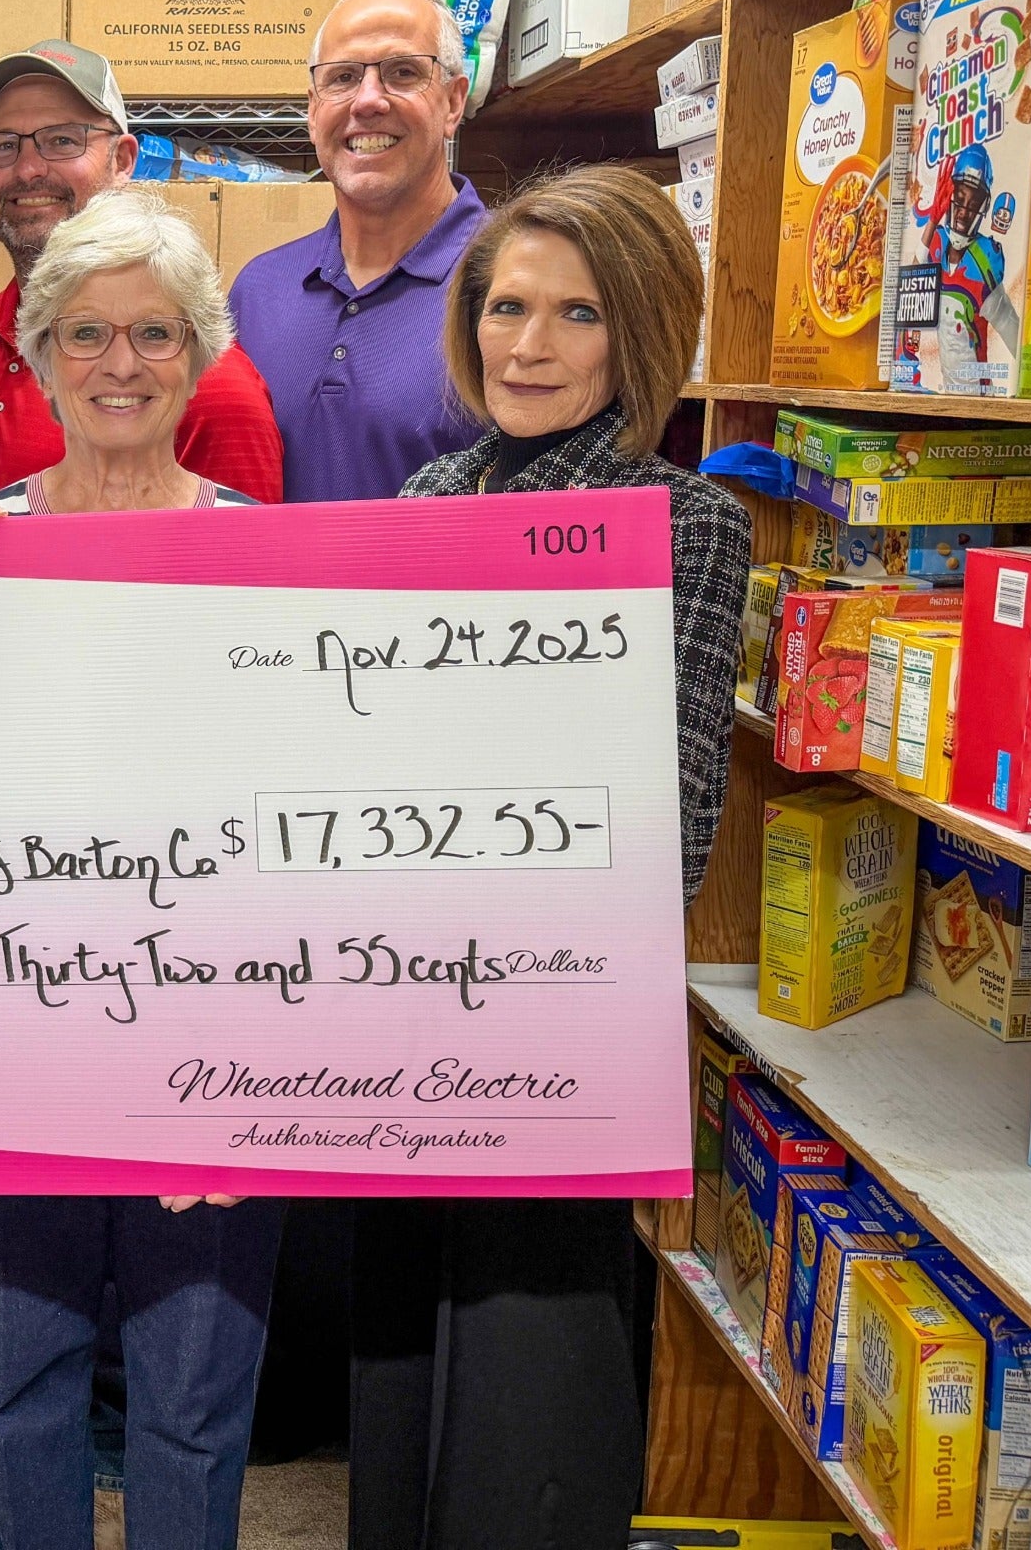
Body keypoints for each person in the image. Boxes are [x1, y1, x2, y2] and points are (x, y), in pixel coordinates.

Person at [353, 165, 751, 1550]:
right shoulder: (429, 491)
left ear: (637, 333)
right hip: (395, 993)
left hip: (555, 1012)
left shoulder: (685, 523)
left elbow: (680, 825)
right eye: (507, 305)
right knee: (399, 1341)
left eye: (575, 314)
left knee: (531, 1366)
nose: (528, 345)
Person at [0, 191, 284, 1550]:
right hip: (14, 1025)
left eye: (155, 333)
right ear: (35, 353)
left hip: (216, 1025)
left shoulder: (273, 555)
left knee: (194, 1386)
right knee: (19, 1372)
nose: (121, 364)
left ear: (201, 354)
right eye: (86, 333)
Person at [0, 42, 284, 503]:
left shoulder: (213, 388)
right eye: (4, 146)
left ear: (122, 161)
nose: (29, 168)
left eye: (62, 140)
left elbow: (242, 560)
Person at [230, 0, 491, 501]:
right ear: (311, 109)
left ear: (453, 103)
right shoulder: (258, 289)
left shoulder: (513, 282)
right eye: (343, 77)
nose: (368, 101)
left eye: (403, 72)